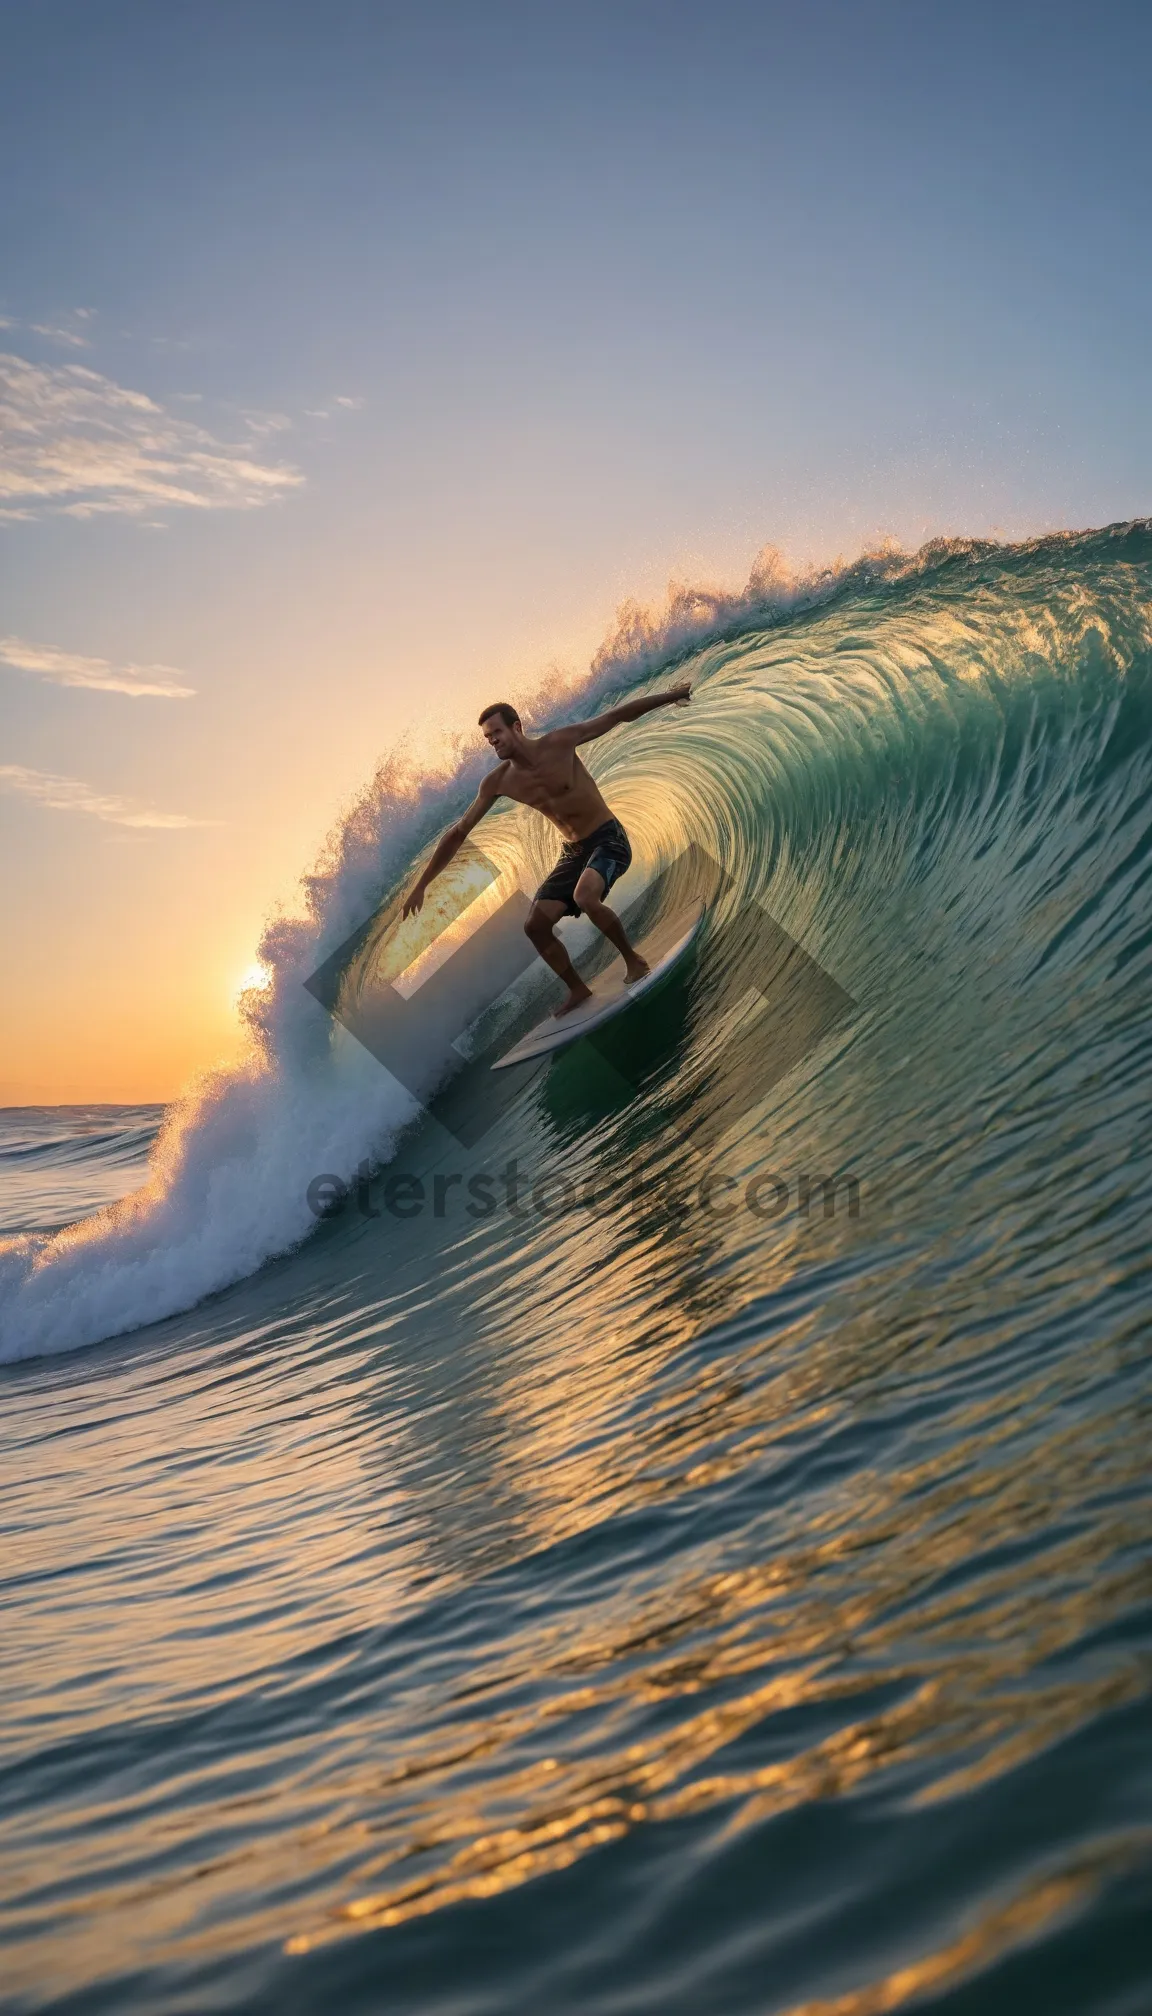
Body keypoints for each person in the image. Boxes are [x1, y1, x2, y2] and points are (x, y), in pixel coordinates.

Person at [402, 684, 692, 1015]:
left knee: (585, 896)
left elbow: (617, 716)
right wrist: (422, 884)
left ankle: (634, 960)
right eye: (487, 737)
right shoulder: (497, 783)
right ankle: (577, 989)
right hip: (574, 851)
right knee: (535, 926)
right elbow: (458, 833)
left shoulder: (560, 743)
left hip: (608, 838)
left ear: (516, 727)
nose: (492, 740)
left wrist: (671, 696)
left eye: (496, 732)